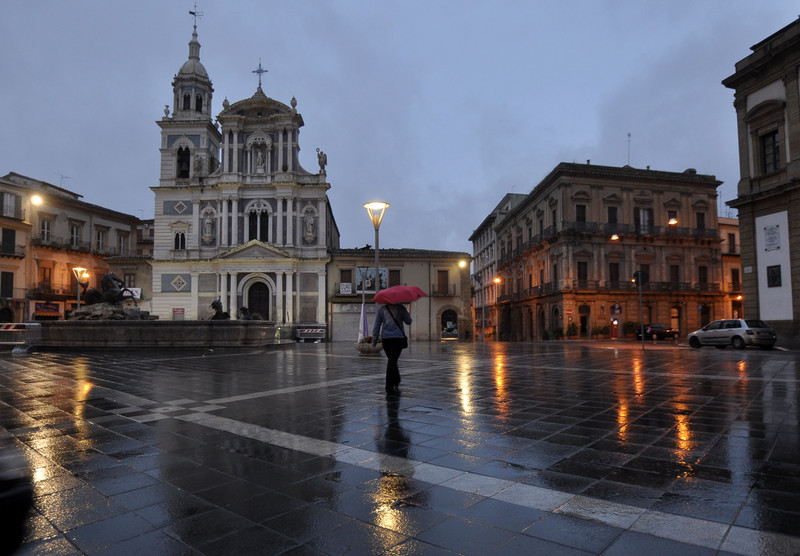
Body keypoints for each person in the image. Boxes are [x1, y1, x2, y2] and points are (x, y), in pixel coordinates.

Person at [372, 303, 412, 394]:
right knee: (392, 361)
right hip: (397, 338)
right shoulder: (401, 308)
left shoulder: (382, 309)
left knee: (392, 361)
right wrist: (405, 313)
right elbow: (409, 321)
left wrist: (374, 340)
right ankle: (389, 386)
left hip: (386, 339)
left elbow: (377, 325)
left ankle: (396, 380)